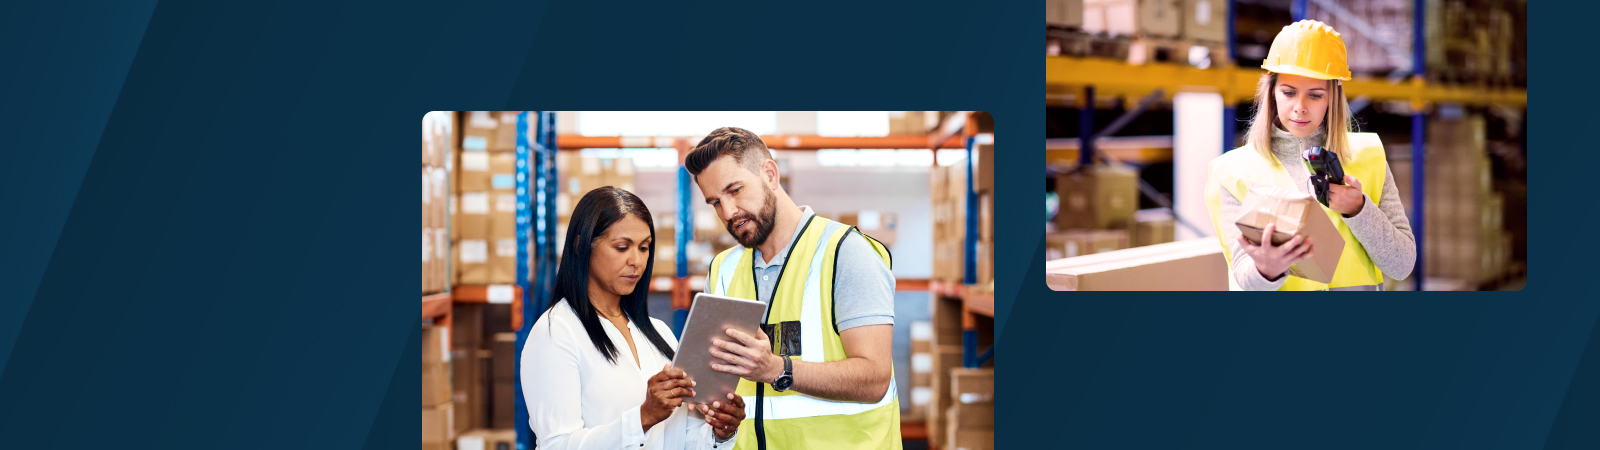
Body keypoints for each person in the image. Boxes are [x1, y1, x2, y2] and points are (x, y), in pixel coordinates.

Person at [685, 127, 900, 449]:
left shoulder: (846, 252)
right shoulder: (723, 269)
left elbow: (874, 379)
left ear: (770, 174)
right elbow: (719, 381)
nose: (728, 212)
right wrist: (704, 401)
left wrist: (776, 369)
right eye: (715, 202)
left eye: (735, 190)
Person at [522, 186, 745, 449]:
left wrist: (719, 433)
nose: (636, 261)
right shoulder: (556, 332)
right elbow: (555, 445)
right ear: (581, 245)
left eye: (644, 247)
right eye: (622, 247)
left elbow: (680, 438)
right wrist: (644, 417)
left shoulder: (659, 333)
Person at [1205, 20, 1416, 291]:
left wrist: (1359, 211)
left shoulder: (1369, 157)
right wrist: (1266, 270)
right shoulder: (1234, 172)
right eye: (1289, 93)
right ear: (1271, 93)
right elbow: (1246, 278)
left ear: (1332, 98)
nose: (1300, 108)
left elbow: (1402, 265)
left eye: (1315, 95)